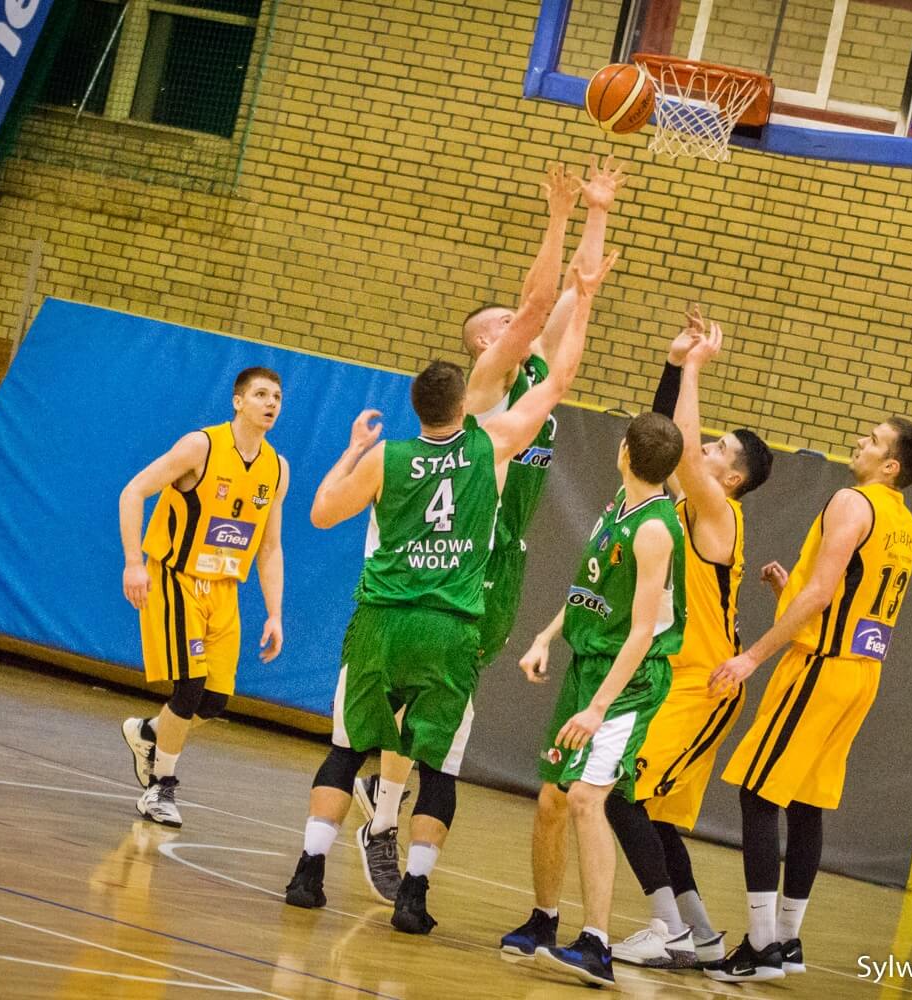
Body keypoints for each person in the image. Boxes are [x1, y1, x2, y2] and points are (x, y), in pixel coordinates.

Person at [285, 248, 617, 936]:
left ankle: (309, 870)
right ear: (466, 400)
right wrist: (583, 292)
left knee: (347, 748)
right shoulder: (489, 443)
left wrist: (352, 452)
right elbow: (559, 367)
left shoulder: (388, 458)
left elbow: (319, 514)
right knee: (438, 763)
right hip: (450, 622)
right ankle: (410, 885)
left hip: (386, 618)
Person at [351, 158, 625, 903]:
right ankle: (382, 816)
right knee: (423, 695)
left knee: (450, 693)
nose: (513, 324)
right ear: (481, 349)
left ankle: (386, 798)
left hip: (504, 555)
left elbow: (575, 292)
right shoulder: (484, 391)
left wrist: (597, 210)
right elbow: (538, 306)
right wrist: (558, 217)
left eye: (509, 320)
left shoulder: (536, 379)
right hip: (450, 559)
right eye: (495, 326)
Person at [706, 416, 912, 982]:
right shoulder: (904, 522)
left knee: (758, 793)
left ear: (890, 466)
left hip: (819, 668)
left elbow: (825, 593)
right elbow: (853, 595)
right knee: (806, 803)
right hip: (860, 673)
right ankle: (787, 940)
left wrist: (752, 657)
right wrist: (790, 594)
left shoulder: (853, 502)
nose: (860, 441)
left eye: (873, 441)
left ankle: (760, 946)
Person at [607, 312, 773, 970]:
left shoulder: (720, 514)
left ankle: (668, 929)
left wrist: (698, 371)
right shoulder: (688, 503)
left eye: (718, 449)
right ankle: (699, 934)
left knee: (619, 790)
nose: (702, 448)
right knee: (654, 814)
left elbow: (679, 447)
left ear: (731, 479)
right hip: (672, 678)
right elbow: (661, 440)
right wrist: (674, 365)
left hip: (702, 686)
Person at [500, 411, 686, 987]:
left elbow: (641, 632)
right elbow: (589, 588)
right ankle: (544, 920)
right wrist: (545, 636)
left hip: (629, 681)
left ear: (625, 451)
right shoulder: (621, 503)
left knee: (586, 797)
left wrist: (599, 706)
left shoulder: (654, 529)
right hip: (588, 666)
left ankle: (597, 945)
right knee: (552, 799)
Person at [117, 368, 288, 828]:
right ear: (238, 401)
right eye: (260, 394)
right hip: (177, 578)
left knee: (212, 702)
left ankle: (150, 732)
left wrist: (274, 613)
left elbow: (270, 548)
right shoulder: (201, 446)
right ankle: (160, 788)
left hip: (225, 589)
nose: (270, 403)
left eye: (276, 396)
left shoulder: (277, 468)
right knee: (189, 688)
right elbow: (133, 491)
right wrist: (133, 563)